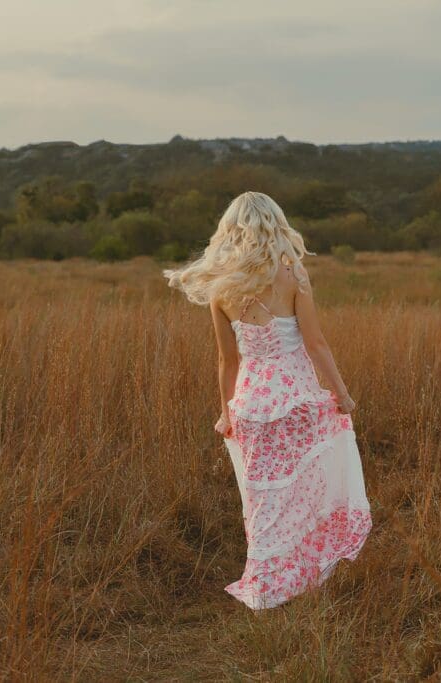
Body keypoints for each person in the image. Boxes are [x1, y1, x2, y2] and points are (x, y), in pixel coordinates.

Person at [163, 190, 372, 610]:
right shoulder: (293, 275)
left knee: (264, 499)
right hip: (296, 402)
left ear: (230, 231)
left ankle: (268, 582)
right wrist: (342, 394)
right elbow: (316, 344)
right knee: (310, 487)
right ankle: (306, 575)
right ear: (275, 224)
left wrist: (226, 414)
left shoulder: (222, 289)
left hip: (252, 408)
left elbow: (227, 360)